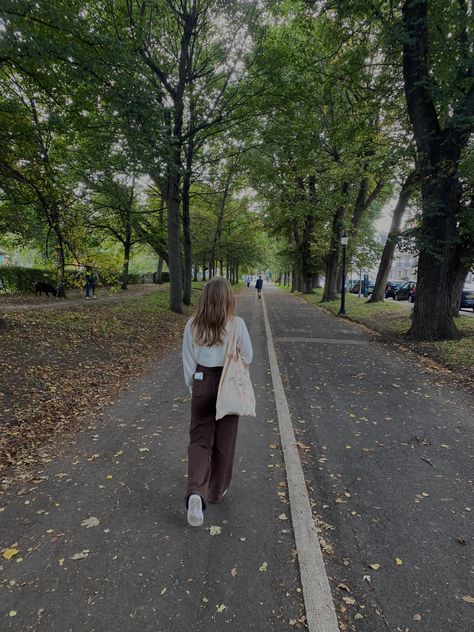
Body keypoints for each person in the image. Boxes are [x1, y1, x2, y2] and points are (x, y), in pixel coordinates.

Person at [182, 277, 253, 527]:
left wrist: (196, 387)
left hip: (202, 381)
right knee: (224, 441)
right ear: (228, 299)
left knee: (200, 441)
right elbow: (249, 356)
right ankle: (215, 491)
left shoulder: (192, 325)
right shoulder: (237, 324)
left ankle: (195, 493)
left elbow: (189, 362)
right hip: (229, 385)